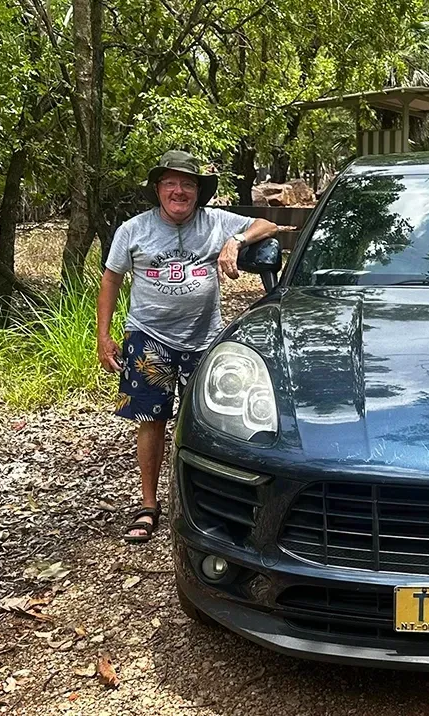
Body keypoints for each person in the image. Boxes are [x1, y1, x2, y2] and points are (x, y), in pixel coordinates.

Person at [96, 150, 278, 543]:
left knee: (215, 422)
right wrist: (104, 335)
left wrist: (236, 241)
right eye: (170, 183)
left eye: (187, 184)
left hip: (204, 339)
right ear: (159, 189)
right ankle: (148, 504)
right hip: (148, 337)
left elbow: (268, 223)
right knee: (151, 420)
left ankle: (215, 505)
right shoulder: (134, 229)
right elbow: (110, 279)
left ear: (198, 191)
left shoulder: (215, 221)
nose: (179, 191)